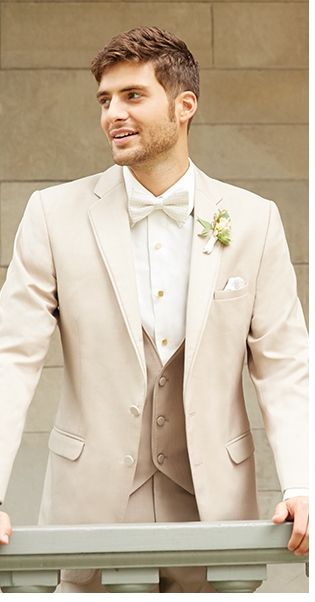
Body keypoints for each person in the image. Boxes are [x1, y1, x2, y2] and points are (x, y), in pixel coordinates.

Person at [0, 26, 309, 593]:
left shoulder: (254, 219)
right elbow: (10, 357)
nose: (112, 113)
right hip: (90, 506)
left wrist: (304, 485)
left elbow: (286, 364)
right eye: (104, 99)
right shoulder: (51, 215)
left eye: (132, 96)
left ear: (184, 105)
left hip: (216, 510)